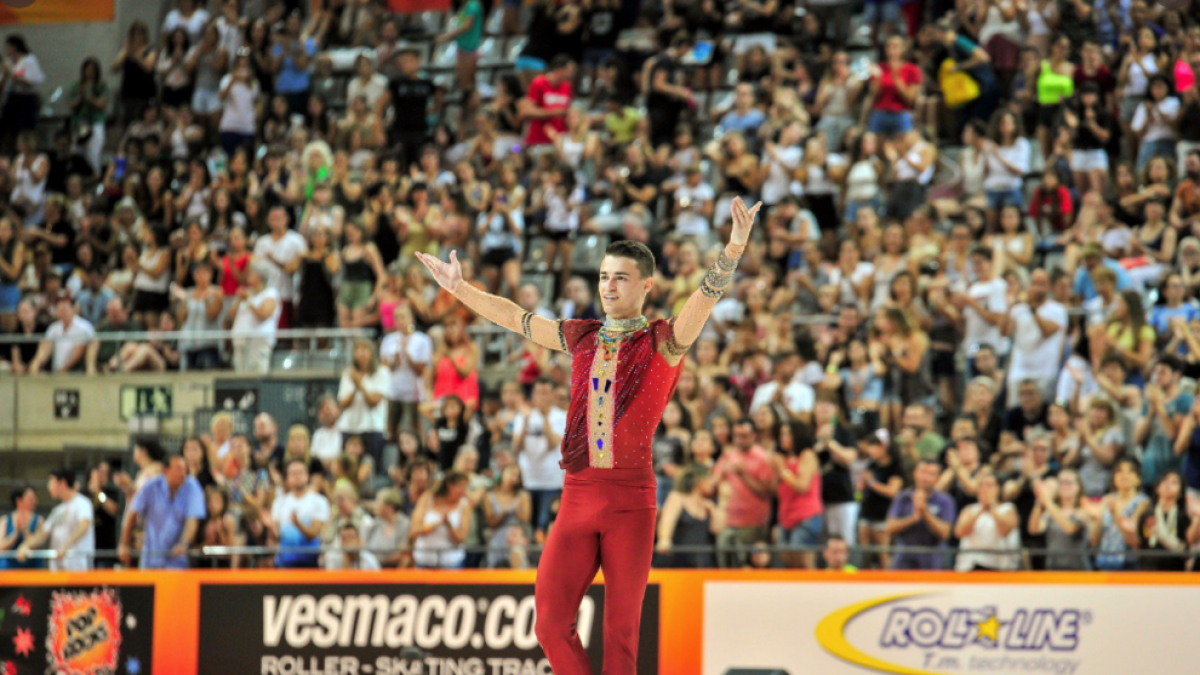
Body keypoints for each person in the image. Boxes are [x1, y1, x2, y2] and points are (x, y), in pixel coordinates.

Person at [415, 196, 760, 674]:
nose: (609, 286)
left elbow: (702, 302)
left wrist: (733, 251)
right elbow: (516, 318)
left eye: (620, 277)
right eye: (603, 276)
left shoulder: (664, 340)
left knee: (621, 635)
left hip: (630, 500)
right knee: (550, 625)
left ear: (645, 285)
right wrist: (462, 291)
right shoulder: (581, 335)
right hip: (577, 495)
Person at [118, 454, 205, 569]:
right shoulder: (151, 486)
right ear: (166, 470)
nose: (183, 473)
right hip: (150, 558)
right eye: (178, 468)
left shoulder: (192, 487)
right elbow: (132, 512)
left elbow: (192, 521)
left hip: (177, 561)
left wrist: (184, 543)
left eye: (185, 469)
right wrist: (124, 543)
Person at [710, 417, 775, 569]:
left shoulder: (763, 458)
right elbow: (715, 480)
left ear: (754, 436)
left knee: (747, 565)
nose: (739, 440)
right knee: (724, 562)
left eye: (744, 436)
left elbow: (768, 491)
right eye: (736, 436)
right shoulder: (728, 455)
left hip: (752, 523)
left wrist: (743, 473)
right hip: (728, 521)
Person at [512, 379, 567, 541]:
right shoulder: (524, 415)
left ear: (552, 395)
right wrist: (526, 420)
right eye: (539, 393)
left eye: (546, 393)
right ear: (533, 395)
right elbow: (516, 446)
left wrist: (544, 419)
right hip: (528, 480)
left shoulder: (561, 416)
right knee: (527, 528)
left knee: (544, 527)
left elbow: (553, 444)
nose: (542, 397)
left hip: (552, 481)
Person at [16, 469, 94, 572]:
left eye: (51, 482)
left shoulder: (83, 503)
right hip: (57, 570)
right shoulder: (57, 511)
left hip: (78, 569)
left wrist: (66, 546)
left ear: (62, 483)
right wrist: (25, 545)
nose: (49, 487)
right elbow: (42, 534)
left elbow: (84, 525)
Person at [885, 459, 956, 570]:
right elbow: (890, 527)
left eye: (931, 474)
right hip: (904, 556)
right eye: (922, 472)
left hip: (932, 558)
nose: (925, 477)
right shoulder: (902, 497)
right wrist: (913, 518)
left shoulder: (945, 500)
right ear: (915, 473)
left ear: (937, 477)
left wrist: (924, 511)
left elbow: (945, 533)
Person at [655, 465, 724, 568]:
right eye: (709, 477)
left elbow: (717, 529)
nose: (713, 482)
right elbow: (667, 521)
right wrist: (664, 538)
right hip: (678, 559)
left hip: (703, 562)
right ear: (697, 479)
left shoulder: (709, 505)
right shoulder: (678, 497)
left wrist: (722, 502)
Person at [953, 469, 1021, 571]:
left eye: (989, 485)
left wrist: (992, 507)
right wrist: (982, 509)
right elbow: (959, 532)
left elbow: (1004, 531)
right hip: (970, 567)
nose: (984, 489)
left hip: (999, 568)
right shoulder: (970, 509)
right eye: (981, 485)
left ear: (999, 489)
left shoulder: (1008, 508)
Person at [337, 339, 390, 467]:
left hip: (372, 427)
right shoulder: (349, 373)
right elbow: (342, 403)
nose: (361, 353)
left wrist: (360, 385)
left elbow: (374, 402)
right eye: (357, 350)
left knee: (372, 465)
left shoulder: (382, 372)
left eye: (364, 349)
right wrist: (355, 388)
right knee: (348, 466)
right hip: (349, 426)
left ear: (372, 352)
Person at [269, 459, 330, 569]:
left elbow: (313, 534)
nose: (297, 476)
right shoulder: (279, 502)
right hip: (285, 561)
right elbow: (277, 536)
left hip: (311, 560)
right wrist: (271, 528)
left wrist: (298, 524)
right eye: (293, 473)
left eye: (300, 473)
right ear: (287, 479)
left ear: (307, 476)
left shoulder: (319, 501)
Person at [410, 470, 473, 569]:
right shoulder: (427, 498)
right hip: (424, 560)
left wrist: (449, 525)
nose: (464, 491)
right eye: (461, 486)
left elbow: (461, 538)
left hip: (451, 563)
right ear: (450, 485)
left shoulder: (464, 505)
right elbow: (414, 530)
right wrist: (434, 525)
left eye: (466, 486)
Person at [29, 294, 94, 374]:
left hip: (76, 372)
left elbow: (79, 352)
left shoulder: (84, 327)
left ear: (73, 308)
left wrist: (63, 370)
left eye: (65, 308)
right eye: (59, 308)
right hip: (57, 371)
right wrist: (36, 364)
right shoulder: (53, 328)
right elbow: (45, 349)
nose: (62, 310)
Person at [0, 486, 43, 570]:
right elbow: (1, 545)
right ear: (19, 500)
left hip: (32, 569)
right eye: (30, 498)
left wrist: (26, 531)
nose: (34, 501)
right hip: (9, 569)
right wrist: (15, 533)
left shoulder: (39, 520)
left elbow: (39, 542)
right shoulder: (5, 520)